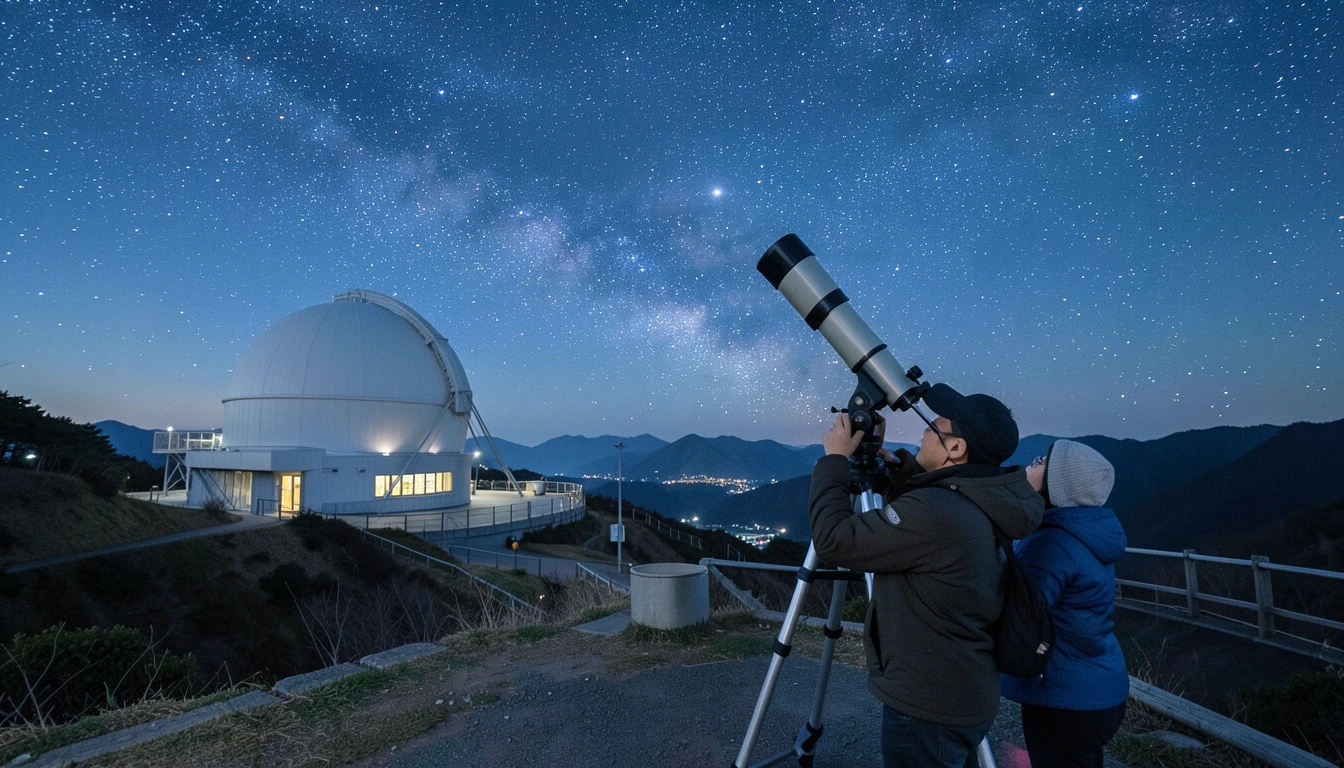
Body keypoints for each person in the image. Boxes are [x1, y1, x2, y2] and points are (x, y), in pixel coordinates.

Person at [809, 384, 1044, 768]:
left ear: (956, 449)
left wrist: (834, 461)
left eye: (936, 425)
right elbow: (935, 515)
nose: (924, 427)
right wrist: (902, 471)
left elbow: (834, 541)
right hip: (965, 691)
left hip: (926, 707)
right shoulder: (984, 497)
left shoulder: (937, 513)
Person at [1002, 440, 1129, 768]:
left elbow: (1017, 614)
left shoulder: (1050, 543)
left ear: (1056, 483)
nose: (1032, 462)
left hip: (1066, 700)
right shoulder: (1087, 535)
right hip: (1100, 689)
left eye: (1042, 459)